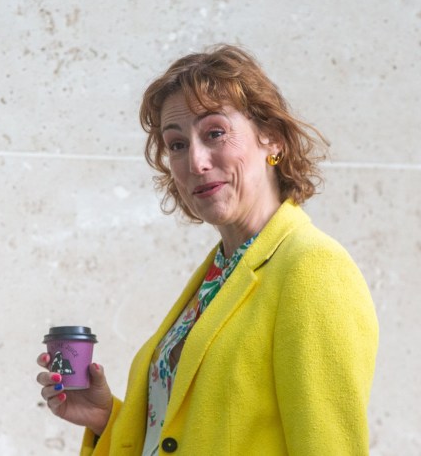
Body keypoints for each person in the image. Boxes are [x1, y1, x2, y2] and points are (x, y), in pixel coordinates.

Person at [37, 44, 378, 455]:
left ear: (270, 137)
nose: (195, 161)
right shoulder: (220, 274)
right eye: (177, 144)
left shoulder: (312, 267)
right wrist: (106, 417)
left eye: (214, 132)